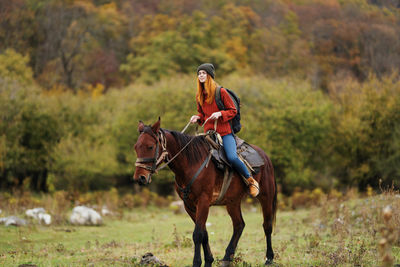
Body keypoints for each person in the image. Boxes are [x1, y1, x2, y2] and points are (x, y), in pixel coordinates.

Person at [190, 63, 259, 197]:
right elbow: (203, 116)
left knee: (232, 157)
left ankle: (251, 180)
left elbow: (232, 110)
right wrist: (196, 117)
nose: (201, 75)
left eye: (203, 73)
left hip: (224, 133)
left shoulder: (220, 92)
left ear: (209, 75)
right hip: (208, 134)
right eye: (199, 74)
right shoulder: (199, 96)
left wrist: (221, 113)